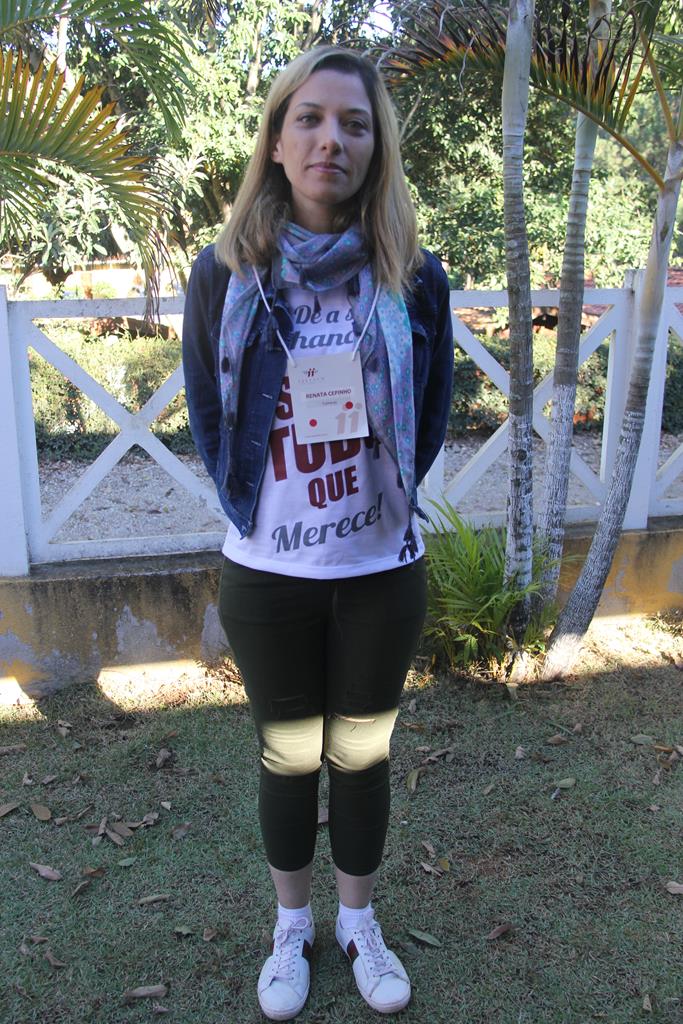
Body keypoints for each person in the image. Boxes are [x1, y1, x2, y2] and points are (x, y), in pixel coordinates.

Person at [182, 44, 453, 1020]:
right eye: (309, 118)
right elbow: (208, 415)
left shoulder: (413, 277)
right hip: (266, 574)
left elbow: (431, 407)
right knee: (289, 754)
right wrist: (256, 514)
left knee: (362, 754)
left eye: (353, 122)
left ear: (376, 147)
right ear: (276, 138)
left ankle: (357, 922)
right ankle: (290, 926)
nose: (329, 138)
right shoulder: (226, 274)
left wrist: (377, 508)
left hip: (381, 569)